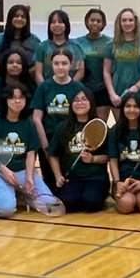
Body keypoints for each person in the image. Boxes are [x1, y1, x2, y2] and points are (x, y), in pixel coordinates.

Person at [0, 83, 55, 217]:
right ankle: (5, 192)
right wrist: (4, 170)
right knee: (5, 211)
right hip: (0, 172)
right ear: (5, 100)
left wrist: (29, 178)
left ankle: (22, 194)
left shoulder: (28, 124)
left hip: (22, 171)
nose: (17, 101)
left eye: (21, 97)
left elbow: (30, 154)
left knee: (50, 204)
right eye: (12, 98)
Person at [31, 48, 87, 186]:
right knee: (51, 185)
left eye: (64, 63)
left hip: (71, 142)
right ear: (51, 64)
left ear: (71, 65)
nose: (60, 67)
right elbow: (37, 119)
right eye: (56, 63)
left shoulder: (78, 87)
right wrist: (46, 147)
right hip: (48, 140)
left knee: (68, 184)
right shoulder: (44, 87)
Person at [49, 88, 110, 213]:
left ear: (91, 103)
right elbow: (53, 154)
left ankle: (98, 195)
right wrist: (58, 175)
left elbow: (109, 156)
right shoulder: (63, 127)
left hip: (96, 178)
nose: (79, 103)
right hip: (73, 178)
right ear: (71, 104)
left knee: (91, 203)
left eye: (83, 99)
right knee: (69, 203)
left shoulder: (100, 126)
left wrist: (93, 159)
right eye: (76, 100)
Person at [109, 96, 140, 214]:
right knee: (126, 206)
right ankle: (117, 193)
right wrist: (117, 182)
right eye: (128, 106)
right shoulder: (114, 131)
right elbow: (113, 160)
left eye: (136, 106)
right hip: (123, 179)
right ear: (122, 109)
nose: (131, 110)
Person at [105, 8, 140, 116]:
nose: (127, 23)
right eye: (124, 20)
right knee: (121, 127)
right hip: (118, 93)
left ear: (135, 22)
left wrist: (137, 87)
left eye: (130, 20)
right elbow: (106, 71)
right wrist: (112, 94)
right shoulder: (111, 45)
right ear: (119, 23)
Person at [73, 8, 113, 121]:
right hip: (83, 89)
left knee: (100, 124)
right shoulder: (77, 43)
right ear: (87, 22)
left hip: (102, 89)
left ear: (103, 24)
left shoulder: (110, 42)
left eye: (98, 21)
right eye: (92, 20)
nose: (95, 23)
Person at [33, 9, 86, 83]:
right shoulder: (42, 46)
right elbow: (38, 73)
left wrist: (70, 87)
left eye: (60, 22)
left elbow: (80, 72)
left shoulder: (76, 46)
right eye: (53, 22)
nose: (56, 25)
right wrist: (45, 89)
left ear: (66, 25)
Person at [0, 4, 41, 83]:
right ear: (10, 18)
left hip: (27, 83)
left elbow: (37, 66)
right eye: (16, 16)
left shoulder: (35, 41)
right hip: (3, 82)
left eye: (23, 17)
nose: (19, 19)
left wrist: (23, 74)